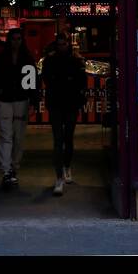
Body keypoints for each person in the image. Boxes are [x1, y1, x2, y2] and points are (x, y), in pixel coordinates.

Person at [0, 28, 38, 190]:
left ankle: (13, 167)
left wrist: (33, 102)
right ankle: (7, 170)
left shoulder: (26, 59)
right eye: (14, 38)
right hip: (5, 100)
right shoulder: (6, 59)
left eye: (18, 39)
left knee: (18, 137)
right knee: (7, 135)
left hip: (20, 100)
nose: (16, 41)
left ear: (22, 40)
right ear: (9, 40)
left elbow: (32, 82)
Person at [41, 30, 86, 197]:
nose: (62, 47)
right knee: (59, 140)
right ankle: (59, 176)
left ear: (68, 44)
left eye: (64, 44)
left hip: (68, 103)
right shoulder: (55, 61)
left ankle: (66, 166)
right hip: (59, 104)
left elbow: (80, 81)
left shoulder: (71, 61)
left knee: (67, 138)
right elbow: (48, 79)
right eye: (59, 44)